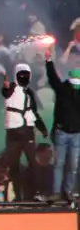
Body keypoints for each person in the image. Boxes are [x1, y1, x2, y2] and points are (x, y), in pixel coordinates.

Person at [2, 63, 49, 200]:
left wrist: (42, 128)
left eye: (26, 75)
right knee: (14, 165)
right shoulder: (10, 88)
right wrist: (6, 86)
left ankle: (36, 193)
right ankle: (17, 195)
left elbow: (33, 112)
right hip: (13, 132)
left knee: (33, 163)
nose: (24, 77)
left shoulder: (30, 92)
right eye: (21, 74)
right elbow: (5, 92)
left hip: (27, 131)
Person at [45, 46, 80, 201]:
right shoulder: (62, 89)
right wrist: (48, 61)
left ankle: (68, 192)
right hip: (62, 132)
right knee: (59, 163)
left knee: (72, 165)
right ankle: (56, 192)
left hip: (76, 134)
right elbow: (52, 77)